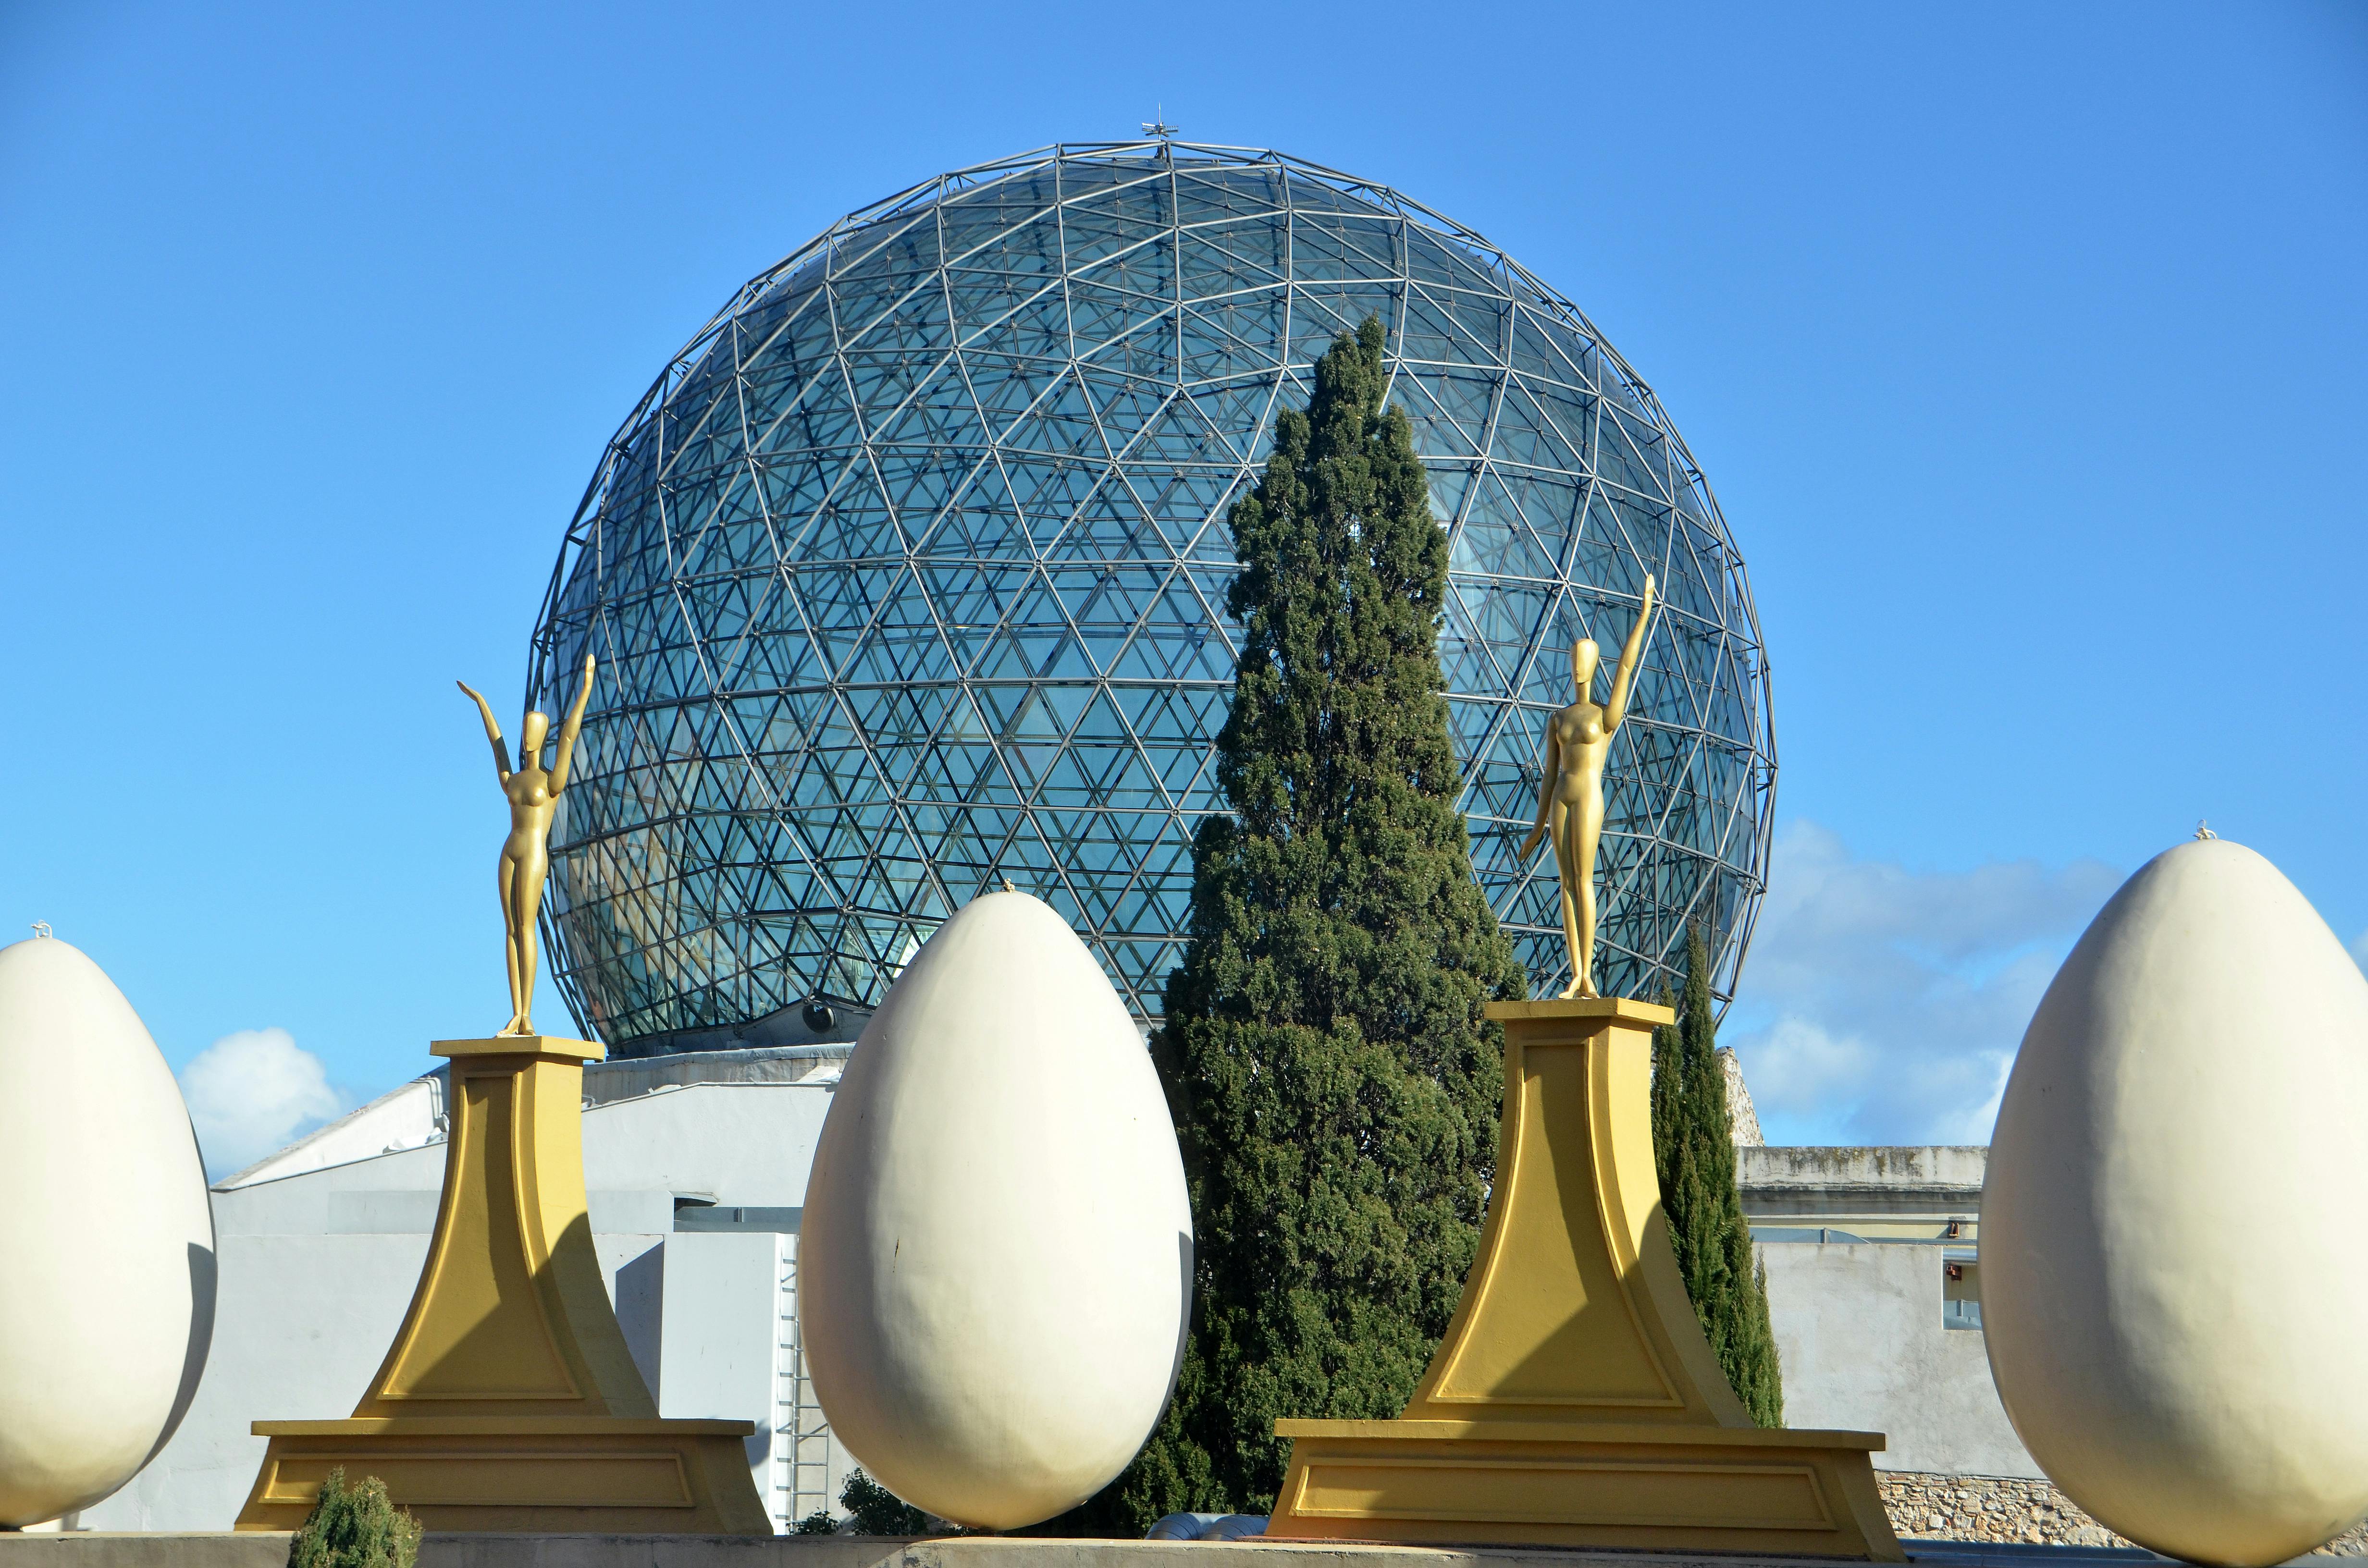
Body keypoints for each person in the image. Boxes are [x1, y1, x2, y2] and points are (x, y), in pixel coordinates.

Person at [1518, 577, 1654, 999]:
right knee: (1565, 882)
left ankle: (1589, 974)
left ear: (1595, 665)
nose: (1579, 664)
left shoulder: (1605, 716)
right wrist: (1536, 829)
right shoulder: (1558, 719)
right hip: (1561, 796)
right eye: (1574, 658)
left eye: (1586, 658)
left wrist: (1645, 612)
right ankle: (1575, 973)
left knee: (1584, 879)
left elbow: (1627, 667)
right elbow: (1548, 775)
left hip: (1589, 796)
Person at [456, 653, 596, 1036]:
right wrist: (481, 702)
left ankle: (528, 1014)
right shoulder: (513, 779)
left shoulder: (552, 781)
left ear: (543, 735)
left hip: (534, 852)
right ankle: (515, 1012)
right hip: (510, 850)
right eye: (524, 729)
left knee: (526, 927)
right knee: (510, 930)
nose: (526, 735)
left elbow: (570, 735)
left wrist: (586, 688)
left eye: (533, 730)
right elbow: (496, 744)